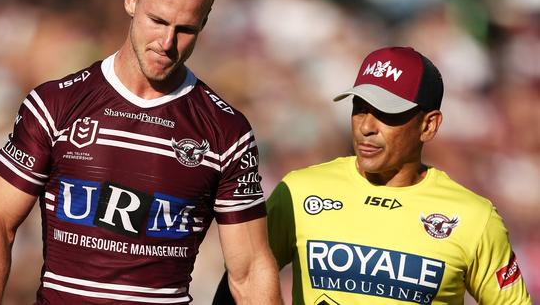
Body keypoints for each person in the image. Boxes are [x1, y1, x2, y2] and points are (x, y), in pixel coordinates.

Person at [0, 0, 282, 304]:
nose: (167, 42)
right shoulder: (55, 105)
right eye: (157, 21)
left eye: (186, 29)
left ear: (204, 23)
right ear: (131, 1)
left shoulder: (226, 132)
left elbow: (251, 269)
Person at [213, 46, 531, 304]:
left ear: (429, 125)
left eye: (387, 113)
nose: (366, 127)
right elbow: (240, 281)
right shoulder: (299, 191)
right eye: (360, 108)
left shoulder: (474, 218)